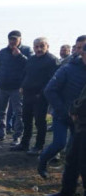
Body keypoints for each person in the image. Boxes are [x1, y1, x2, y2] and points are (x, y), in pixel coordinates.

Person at [38, 37, 86, 179]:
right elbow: (49, 90)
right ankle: (42, 160)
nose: (80, 51)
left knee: (73, 152)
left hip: (81, 118)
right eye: (78, 48)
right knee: (59, 143)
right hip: (62, 113)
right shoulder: (68, 68)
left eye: (82, 48)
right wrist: (63, 110)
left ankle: (70, 185)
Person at [12, 37, 58, 155]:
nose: (39, 49)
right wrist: (22, 86)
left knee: (39, 122)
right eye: (36, 46)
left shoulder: (52, 60)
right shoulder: (31, 59)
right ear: (33, 47)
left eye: (41, 46)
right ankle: (24, 143)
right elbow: (25, 74)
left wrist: (42, 94)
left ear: (47, 46)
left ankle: (38, 146)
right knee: (26, 120)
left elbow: (52, 80)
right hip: (27, 94)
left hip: (40, 96)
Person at [50, 79, 86, 196]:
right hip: (81, 124)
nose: (82, 58)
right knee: (72, 158)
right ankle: (66, 193)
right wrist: (73, 109)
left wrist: (75, 109)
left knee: (84, 161)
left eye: (83, 56)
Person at [0, 30, 31, 145]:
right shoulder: (3, 52)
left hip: (17, 88)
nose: (12, 41)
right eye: (10, 39)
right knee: (1, 111)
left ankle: (17, 136)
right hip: (2, 87)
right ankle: (0, 135)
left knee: (19, 112)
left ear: (20, 39)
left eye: (15, 39)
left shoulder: (27, 50)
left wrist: (19, 56)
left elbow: (31, 65)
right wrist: (0, 78)